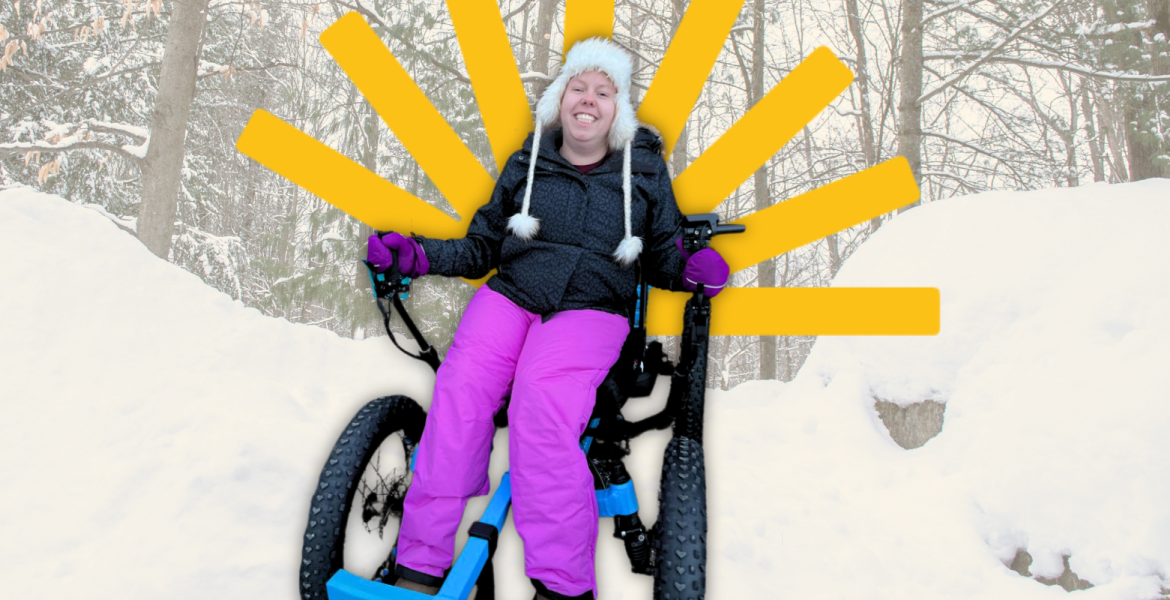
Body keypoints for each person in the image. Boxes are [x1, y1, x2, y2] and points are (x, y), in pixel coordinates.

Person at [366, 38, 729, 600]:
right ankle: (420, 560)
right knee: (460, 392)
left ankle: (561, 584)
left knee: (541, 400)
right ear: (560, 100)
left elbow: (661, 254)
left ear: (618, 107)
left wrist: (692, 270)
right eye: (577, 88)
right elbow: (483, 244)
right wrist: (419, 253)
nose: (589, 100)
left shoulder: (643, 169)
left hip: (593, 308)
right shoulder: (528, 161)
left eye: (603, 91)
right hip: (511, 296)